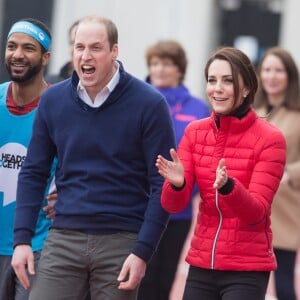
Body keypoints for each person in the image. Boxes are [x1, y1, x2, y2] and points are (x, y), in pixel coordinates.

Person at [11, 15, 176, 300]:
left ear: (114, 51)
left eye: (96, 48)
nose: (85, 56)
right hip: (64, 236)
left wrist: (142, 251)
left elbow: (162, 184)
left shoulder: (149, 104)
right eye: (79, 47)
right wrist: (22, 239)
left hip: (122, 240)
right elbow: (34, 172)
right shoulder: (53, 101)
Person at [156, 46, 286, 300]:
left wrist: (228, 188)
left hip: (247, 267)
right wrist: (178, 184)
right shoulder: (195, 132)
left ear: (247, 88)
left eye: (228, 81)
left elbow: (256, 213)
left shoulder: (270, 138)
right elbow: (173, 205)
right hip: (202, 262)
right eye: (212, 80)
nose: (217, 88)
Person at [138, 40, 210, 300]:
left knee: (165, 278)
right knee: (139, 277)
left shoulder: (198, 109)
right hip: (140, 206)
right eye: (155, 63)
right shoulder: (137, 100)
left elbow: (205, 157)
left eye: (167, 63)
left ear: (179, 69)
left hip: (178, 212)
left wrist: (189, 191)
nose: (160, 69)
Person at [0, 18, 54, 300]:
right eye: (11, 46)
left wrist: (67, 195)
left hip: (37, 245)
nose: (18, 54)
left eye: (28, 48)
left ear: (45, 57)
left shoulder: (58, 107)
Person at [255, 46, 300, 300]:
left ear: (290, 75)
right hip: (249, 206)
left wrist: (289, 172)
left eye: (279, 70)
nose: (272, 76)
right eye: (267, 70)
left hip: (285, 209)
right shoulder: (251, 109)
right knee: (247, 284)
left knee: (283, 286)